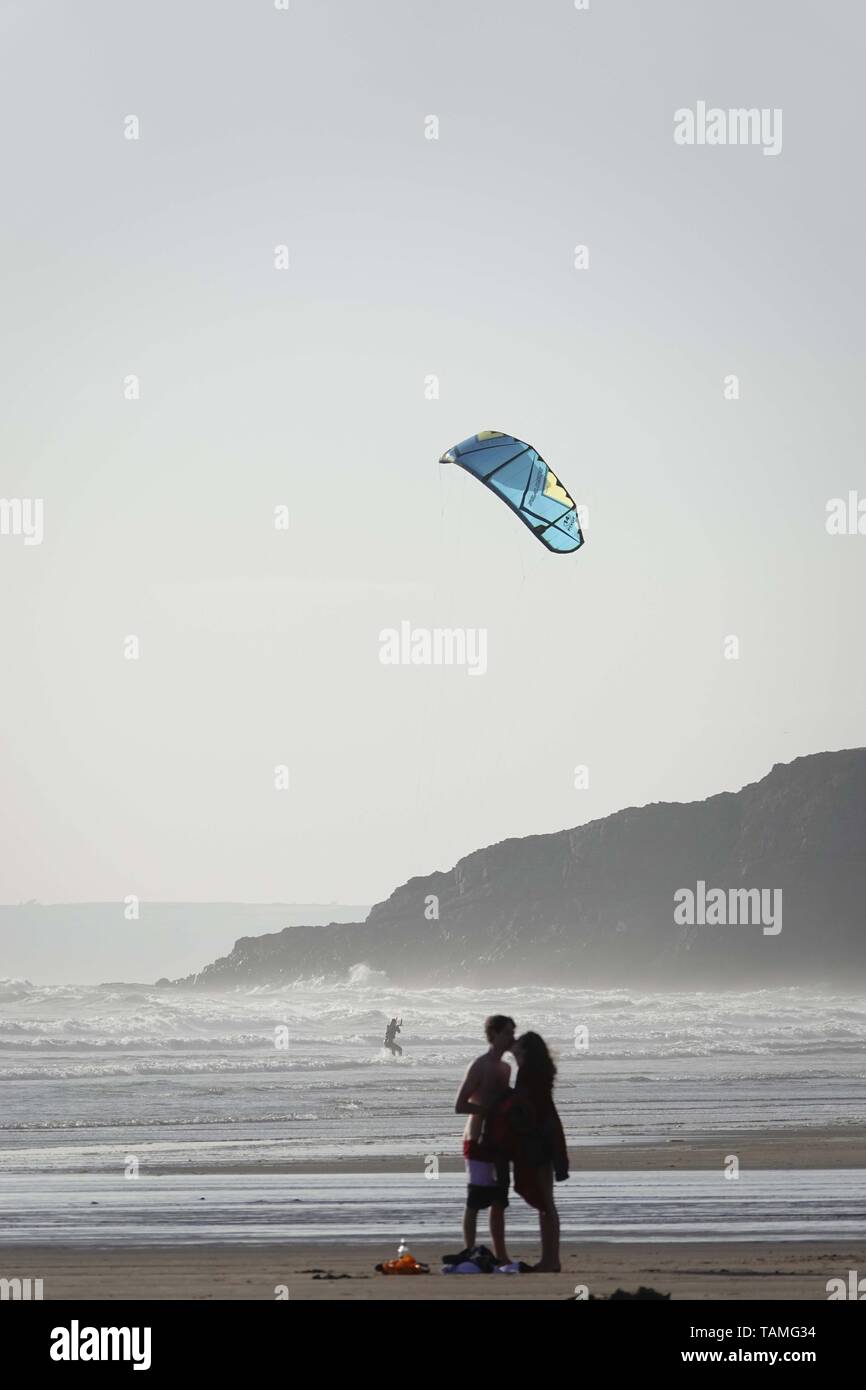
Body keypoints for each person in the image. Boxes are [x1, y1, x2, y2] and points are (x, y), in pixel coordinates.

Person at [453, 1015, 515, 1266]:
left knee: (499, 1199)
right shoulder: (479, 1065)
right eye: (509, 1032)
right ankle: (469, 1250)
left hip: (500, 1140)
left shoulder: (506, 1068)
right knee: (476, 1199)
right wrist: (487, 1111)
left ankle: (501, 1255)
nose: (513, 1037)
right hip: (477, 1139)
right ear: (495, 1034)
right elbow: (459, 1105)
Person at [507, 1031, 569, 1272]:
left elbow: (526, 1108)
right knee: (547, 1203)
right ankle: (550, 1258)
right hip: (547, 1137)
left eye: (518, 1048)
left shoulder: (528, 1074)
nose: (514, 1051)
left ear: (525, 1052)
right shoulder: (540, 1073)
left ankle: (551, 1260)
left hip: (538, 1141)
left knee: (546, 1204)